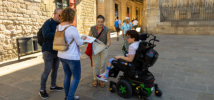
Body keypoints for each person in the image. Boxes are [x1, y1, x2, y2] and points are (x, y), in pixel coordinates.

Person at [57, 7, 87, 100]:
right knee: (76, 77)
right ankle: (69, 98)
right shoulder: (71, 28)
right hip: (72, 57)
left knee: (67, 75)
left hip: (61, 55)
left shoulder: (58, 27)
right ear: (71, 16)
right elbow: (80, 43)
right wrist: (83, 38)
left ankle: (67, 96)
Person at [39, 8, 63, 99]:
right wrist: (58, 34)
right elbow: (46, 34)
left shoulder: (60, 24)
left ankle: (53, 86)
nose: (60, 17)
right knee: (47, 70)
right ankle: (42, 90)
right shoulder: (47, 23)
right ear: (54, 14)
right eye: (59, 15)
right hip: (48, 50)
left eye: (62, 16)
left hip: (57, 50)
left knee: (55, 70)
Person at [88, 15, 111, 88]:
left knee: (102, 64)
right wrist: (91, 38)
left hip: (103, 48)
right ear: (96, 21)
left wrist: (107, 46)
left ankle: (101, 79)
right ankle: (95, 79)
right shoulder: (92, 28)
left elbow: (108, 41)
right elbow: (88, 38)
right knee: (96, 65)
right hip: (95, 49)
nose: (100, 23)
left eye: (101, 22)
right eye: (98, 22)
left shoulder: (107, 29)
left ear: (103, 22)